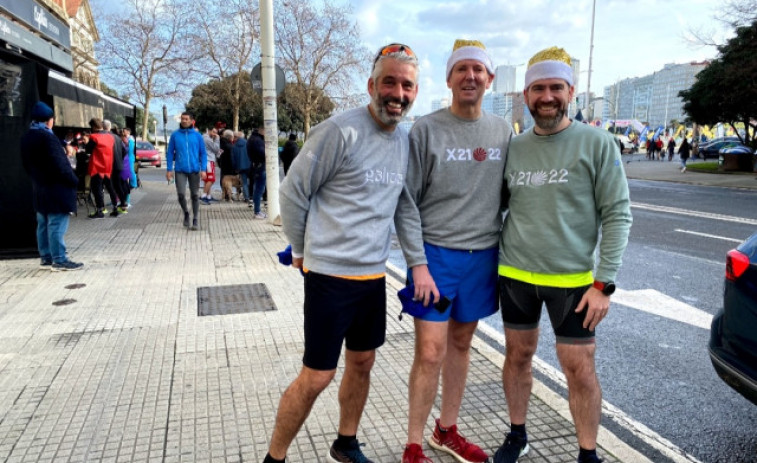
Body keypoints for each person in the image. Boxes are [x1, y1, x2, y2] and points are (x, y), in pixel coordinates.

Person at [263, 42, 419, 463]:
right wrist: (299, 249)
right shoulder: (339, 131)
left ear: (414, 93)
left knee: (363, 362)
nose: (397, 93)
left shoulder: (403, 141)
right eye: (389, 82)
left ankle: (346, 443)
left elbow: (403, 207)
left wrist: (417, 264)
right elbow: (293, 193)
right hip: (330, 278)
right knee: (317, 376)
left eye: (406, 85)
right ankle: (274, 458)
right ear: (371, 85)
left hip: (372, 277)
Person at [493, 46, 632, 463]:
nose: (547, 96)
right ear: (526, 95)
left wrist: (604, 283)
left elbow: (618, 214)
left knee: (579, 367)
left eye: (556, 87)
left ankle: (588, 454)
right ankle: (517, 435)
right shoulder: (514, 147)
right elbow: (495, 206)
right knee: (517, 357)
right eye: (539, 88)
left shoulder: (598, 143)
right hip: (515, 275)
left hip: (572, 282)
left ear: (570, 91)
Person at [394, 39, 512, 463]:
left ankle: (446, 430)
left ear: (490, 78)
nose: (470, 76)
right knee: (429, 351)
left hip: (482, 256)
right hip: (436, 257)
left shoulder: (502, 131)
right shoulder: (425, 129)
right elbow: (406, 201)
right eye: (462, 69)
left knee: (461, 345)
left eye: (478, 70)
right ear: (448, 78)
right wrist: (417, 264)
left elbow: (508, 195)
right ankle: (413, 441)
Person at [20, 102, 83, 271]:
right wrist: (73, 180)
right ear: (49, 121)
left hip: (39, 186)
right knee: (56, 223)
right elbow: (60, 164)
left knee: (43, 223)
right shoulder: (48, 137)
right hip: (57, 187)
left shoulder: (27, 137)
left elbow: (26, 164)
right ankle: (59, 259)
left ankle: (46, 257)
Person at [166, 112, 208, 230]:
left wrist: (203, 169)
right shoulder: (175, 135)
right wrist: (169, 169)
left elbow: (203, 153)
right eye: (182, 119)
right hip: (180, 170)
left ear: (191, 121)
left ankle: (195, 218)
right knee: (181, 194)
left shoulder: (197, 135)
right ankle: (186, 213)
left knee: (195, 195)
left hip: (194, 170)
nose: (184, 121)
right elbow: (170, 153)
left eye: (186, 119)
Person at [85, 118, 119, 218]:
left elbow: (88, 150)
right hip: (108, 165)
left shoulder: (94, 137)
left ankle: (100, 210)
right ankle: (115, 208)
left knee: (97, 189)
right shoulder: (110, 137)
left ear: (94, 127)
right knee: (110, 187)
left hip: (97, 166)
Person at [246, 127, 267, 218]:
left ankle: (257, 210)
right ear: (261, 130)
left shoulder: (252, 139)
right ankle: (257, 211)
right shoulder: (257, 140)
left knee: (257, 189)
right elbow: (263, 153)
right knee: (259, 189)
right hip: (260, 166)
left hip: (255, 165)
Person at [201, 126, 221, 204]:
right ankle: (204, 195)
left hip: (206, 160)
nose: (215, 134)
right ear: (208, 130)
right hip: (209, 160)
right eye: (213, 132)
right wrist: (217, 139)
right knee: (211, 179)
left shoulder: (204, 138)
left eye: (216, 133)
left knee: (207, 179)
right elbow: (216, 149)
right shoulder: (207, 139)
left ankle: (208, 196)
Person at [231, 131, 251, 202]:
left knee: (244, 183)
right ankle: (252, 196)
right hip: (249, 165)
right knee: (252, 181)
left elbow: (233, 159)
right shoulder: (248, 144)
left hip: (240, 167)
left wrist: (235, 168)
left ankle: (246, 198)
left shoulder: (234, 146)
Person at [219, 129, 236, 201]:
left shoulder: (221, 144)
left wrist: (220, 164)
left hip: (223, 166)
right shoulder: (230, 146)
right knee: (229, 182)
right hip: (229, 167)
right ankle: (228, 196)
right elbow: (232, 158)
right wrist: (234, 167)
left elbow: (218, 155)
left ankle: (225, 195)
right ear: (230, 137)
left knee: (223, 181)